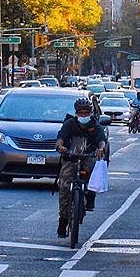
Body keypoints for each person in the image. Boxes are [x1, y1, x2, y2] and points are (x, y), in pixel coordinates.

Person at [55, 96, 107, 238]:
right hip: (70, 158)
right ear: (76, 113)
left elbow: (101, 140)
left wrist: (101, 149)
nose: (83, 115)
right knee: (64, 187)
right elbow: (61, 137)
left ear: (90, 113)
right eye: (80, 113)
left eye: (86, 112)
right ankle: (63, 221)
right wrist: (60, 146)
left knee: (93, 175)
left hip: (88, 157)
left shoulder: (95, 125)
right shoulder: (69, 124)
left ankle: (90, 197)